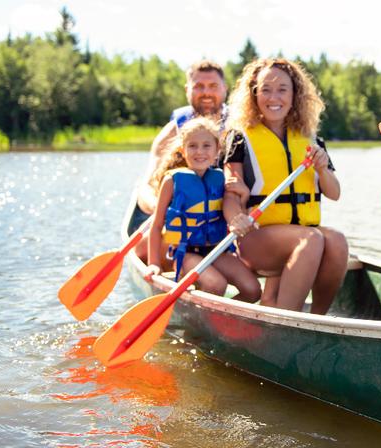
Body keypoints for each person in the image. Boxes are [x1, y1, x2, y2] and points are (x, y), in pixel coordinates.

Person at [223, 57, 348, 314]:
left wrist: (322, 169)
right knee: (311, 238)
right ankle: (288, 320)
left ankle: (318, 319)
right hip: (257, 237)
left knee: (336, 241)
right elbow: (231, 192)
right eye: (265, 89)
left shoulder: (311, 140)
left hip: (302, 236)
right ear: (254, 93)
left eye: (282, 89)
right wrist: (236, 218)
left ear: (294, 95)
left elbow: (334, 193)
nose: (273, 97)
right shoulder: (240, 138)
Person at [147, 117, 260, 301]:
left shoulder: (221, 179)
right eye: (192, 146)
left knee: (253, 290)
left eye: (206, 146)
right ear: (183, 151)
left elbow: (237, 215)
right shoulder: (171, 181)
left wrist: (245, 196)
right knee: (217, 284)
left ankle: (223, 321)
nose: (199, 152)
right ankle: (204, 322)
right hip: (186, 253)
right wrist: (154, 263)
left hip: (218, 250)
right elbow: (157, 224)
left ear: (217, 151)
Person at [134, 59, 228, 261]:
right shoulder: (173, 131)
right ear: (187, 90)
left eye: (213, 86)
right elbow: (145, 190)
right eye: (198, 86)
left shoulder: (239, 126)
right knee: (141, 249)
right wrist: (165, 211)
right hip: (183, 224)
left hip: (225, 221)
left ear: (225, 89)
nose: (206, 93)